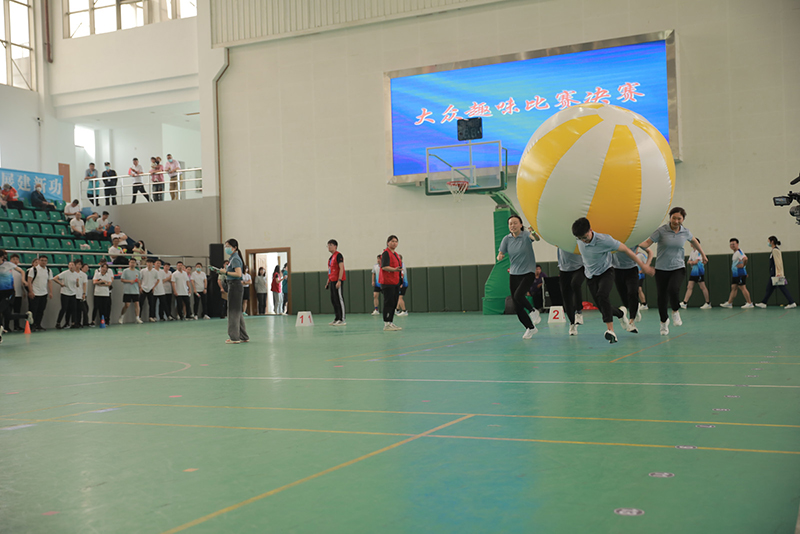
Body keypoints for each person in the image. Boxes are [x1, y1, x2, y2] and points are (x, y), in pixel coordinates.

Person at [573, 217, 655, 343]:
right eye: (580, 239)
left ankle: (611, 331)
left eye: (585, 237)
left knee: (602, 295)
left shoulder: (605, 240)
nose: (583, 241)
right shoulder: (579, 239)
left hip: (606, 272)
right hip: (590, 276)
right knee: (602, 307)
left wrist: (643, 265)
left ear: (590, 230)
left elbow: (627, 250)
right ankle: (621, 314)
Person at [638, 207, 708, 335]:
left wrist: (703, 254)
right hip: (661, 269)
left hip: (678, 267)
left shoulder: (685, 232)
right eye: (674, 218)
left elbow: (694, 241)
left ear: (683, 219)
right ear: (670, 217)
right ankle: (664, 323)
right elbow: (647, 243)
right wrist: (635, 242)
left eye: (679, 218)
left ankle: (675, 311)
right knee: (662, 298)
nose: (676, 221)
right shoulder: (661, 231)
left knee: (673, 289)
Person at [496, 215, 541, 339]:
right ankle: (530, 328)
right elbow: (501, 253)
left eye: (515, 223)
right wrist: (500, 256)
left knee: (518, 295)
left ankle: (533, 311)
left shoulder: (526, 235)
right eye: (510, 224)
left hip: (528, 272)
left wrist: (533, 232)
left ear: (521, 225)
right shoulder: (506, 239)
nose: (513, 225)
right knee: (517, 306)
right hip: (514, 273)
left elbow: (536, 238)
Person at [612, 246, 652, 334]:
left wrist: (646, 266)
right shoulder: (613, 240)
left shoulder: (634, 239)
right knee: (625, 299)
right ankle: (635, 307)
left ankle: (631, 322)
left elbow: (650, 252)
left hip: (632, 270)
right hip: (617, 271)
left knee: (632, 292)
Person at [220, 239, 249, 343]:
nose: (226, 248)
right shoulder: (232, 258)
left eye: (228, 246)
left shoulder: (235, 259)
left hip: (235, 286)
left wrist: (226, 272)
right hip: (234, 286)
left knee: (232, 312)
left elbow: (238, 274)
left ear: (235, 247)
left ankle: (234, 337)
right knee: (238, 312)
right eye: (225, 246)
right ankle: (243, 336)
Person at [756, 236, 796, 309]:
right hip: (773, 273)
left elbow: (778, 263)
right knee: (769, 288)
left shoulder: (775, 250)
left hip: (775, 273)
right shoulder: (773, 250)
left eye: (768, 241)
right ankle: (764, 302)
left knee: (782, 288)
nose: (768, 243)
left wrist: (778, 273)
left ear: (772, 242)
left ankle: (792, 302)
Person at [0, 250, 31, 341]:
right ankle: (26, 316)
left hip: (9, 292)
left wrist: (23, 280)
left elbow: (21, 271)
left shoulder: (8, 264)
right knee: (8, 316)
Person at [557, 248, 586, 336]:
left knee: (575, 284)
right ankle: (572, 323)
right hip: (564, 270)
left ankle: (578, 312)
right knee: (566, 298)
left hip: (579, 267)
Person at [720, 238, 754, 309]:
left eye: (734, 244)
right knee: (733, 287)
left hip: (739, 273)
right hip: (735, 274)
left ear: (737, 244)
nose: (732, 246)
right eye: (731, 244)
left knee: (743, 288)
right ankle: (729, 303)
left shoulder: (739, 252)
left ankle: (749, 303)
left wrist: (743, 266)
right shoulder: (735, 253)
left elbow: (745, 258)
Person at [680, 238, 712, 309]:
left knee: (702, 286)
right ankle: (684, 303)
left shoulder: (699, 252)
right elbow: (689, 262)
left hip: (699, 271)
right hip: (693, 271)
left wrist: (692, 262)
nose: (691, 243)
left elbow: (695, 262)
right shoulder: (692, 252)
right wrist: (692, 262)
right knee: (689, 287)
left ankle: (708, 303)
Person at [380, 235, 403, 331]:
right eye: (392, 241)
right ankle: (386, 323)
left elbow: (399, 269)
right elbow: (384, 266)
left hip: (395, 282)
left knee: (393, 303)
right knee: (388, 302)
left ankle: (391, 321)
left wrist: (400, 280)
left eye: (396, 241)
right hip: (388, 282)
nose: (394, 243)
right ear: (388, 242)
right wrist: (394, 269)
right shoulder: (386, 253)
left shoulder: (396, 254)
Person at [28, 254, 53, 331]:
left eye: (45, 261)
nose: (43, 262)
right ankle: (31, 326)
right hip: (35, 293)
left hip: (44, 293)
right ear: (38, 261)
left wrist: (51, 292)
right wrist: (31, 291)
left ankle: (38, 324)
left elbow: (49, 282)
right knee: (33, 311)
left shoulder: (48, 271)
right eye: (42, 260)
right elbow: (29, 281)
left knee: (41, 310)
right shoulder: (33, 270)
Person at [325, 239, 346, 326]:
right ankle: (337, 318)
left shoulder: (338, 255)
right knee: (333, 300)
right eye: (328, 245)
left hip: (337, 281)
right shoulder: (331, 258)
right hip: (332, 281)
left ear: (335, 246)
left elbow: (341, 268)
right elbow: (330, 271)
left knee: (339, 299)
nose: (329, 247)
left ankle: (342, 319)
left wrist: (339, 280)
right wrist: (328, 282)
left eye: (331, 245)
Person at [6, 254, 29, 332]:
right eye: (13, 259)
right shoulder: (8, 269)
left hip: (18, 294)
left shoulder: (20, 270)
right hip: (9, 294)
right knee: (8, 311)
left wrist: (23, 291)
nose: (15, 261)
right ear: (10, 260)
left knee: (17, 310)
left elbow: (21, 282)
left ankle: (17, 325)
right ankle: (6, 327)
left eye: (16, 259)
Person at [54, 261, 80, 329]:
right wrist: (61, 284)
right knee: (64, 308)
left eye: (73, 265)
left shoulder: (76, 274)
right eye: (70, 265)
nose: (71, 266)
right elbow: (55, 278)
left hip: (73, 293)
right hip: (65, 293)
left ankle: (73, 323)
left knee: (73, 309)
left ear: (75, 266)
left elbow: (77, 285)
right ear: (68, 266)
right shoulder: (65, 273)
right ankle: (58, 323)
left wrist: (77, 282)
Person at [119, 258, 142, 324]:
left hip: (135, 291)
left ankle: (137, 317)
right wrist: (130, 281)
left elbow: (139, 280)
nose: (132, 264)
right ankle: (122, 316)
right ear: (129, 263)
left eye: (133, 262)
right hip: (127, 291)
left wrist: (140, 287)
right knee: (127, 305)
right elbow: (122, 279)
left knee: (137, 304)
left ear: (135, 264)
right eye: (131, 262)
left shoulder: (138, 272)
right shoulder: (125, 271)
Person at [138, 258, 160, 322]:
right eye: (148, 263)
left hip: (151, 289)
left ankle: (151, 316)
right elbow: (139, 279)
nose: (149, 264)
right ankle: (139, 317)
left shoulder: (155, 271)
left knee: (152, 304)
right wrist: (140, 287)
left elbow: (158, 280)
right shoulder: (142, 271)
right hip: (143, 289)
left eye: (150, 263)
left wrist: (153, 287)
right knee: (140, 304)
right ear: (146, 263)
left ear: (153, 264)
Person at [77, 261, 91, 327]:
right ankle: (82, 322)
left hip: (84, 295)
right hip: (80, 295)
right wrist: (83, 293)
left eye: (87, 268)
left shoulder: (85, 275)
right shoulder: (80, 275)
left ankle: (84, 322)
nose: (86, 269)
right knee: (83, 309)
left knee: (85, 309)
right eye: (85, 267)